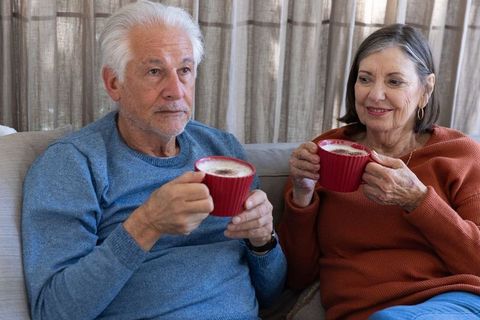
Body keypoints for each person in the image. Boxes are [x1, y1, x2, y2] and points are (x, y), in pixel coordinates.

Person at [21, 1, 286, 319]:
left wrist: (262, 240)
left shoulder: (223, 150)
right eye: (154, 71)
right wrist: (146, 225)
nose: (175, 90)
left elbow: (272, 293)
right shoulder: (73, 165)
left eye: (184, 71)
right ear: (114, 83)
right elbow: (53, 311)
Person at [279, 23, 480, 320]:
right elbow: (296, 276)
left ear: (426, 89)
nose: (375, 94)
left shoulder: (459, 155)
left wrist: (418, 200)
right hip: (362, 312)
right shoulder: (324, 153)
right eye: (365, 79)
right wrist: (302, 194)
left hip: (451, 303)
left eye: (394, 82)